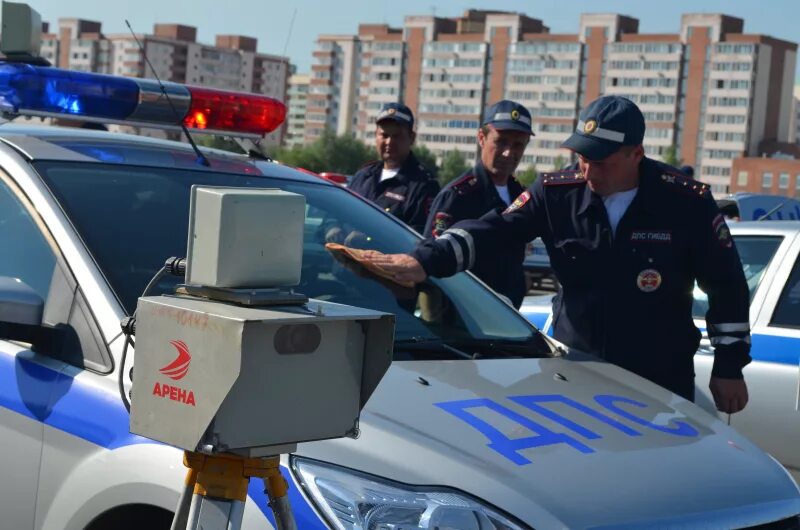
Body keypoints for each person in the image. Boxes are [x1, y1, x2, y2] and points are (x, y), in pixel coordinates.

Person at [365, 95, 751, 413]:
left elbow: (727, 284)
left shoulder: (685, 202)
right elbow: (494, 230)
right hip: (579, 372)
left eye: (600, 161)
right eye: (582, 157)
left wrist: (729, 366)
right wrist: (424, 260)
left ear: (636, 154)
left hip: (659, 376)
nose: (587, 171)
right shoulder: (557, 192)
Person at [423, 100, 531, 308]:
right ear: (481, 138)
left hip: (507, 314)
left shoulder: (521, 195)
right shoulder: (458, 196)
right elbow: (433, 259)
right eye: (501, 142)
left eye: (517, 145)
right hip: (464, 319)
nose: (509, 153)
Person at [347, 103, 439, 234]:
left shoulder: (423, 186)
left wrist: (370, 238)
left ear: (411, 138)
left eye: (397, 136)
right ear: (376, 136)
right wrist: (333, 229)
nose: (389, 142)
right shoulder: (363, 176)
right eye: (384, 135)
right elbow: (336, 215)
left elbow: (418, 237)